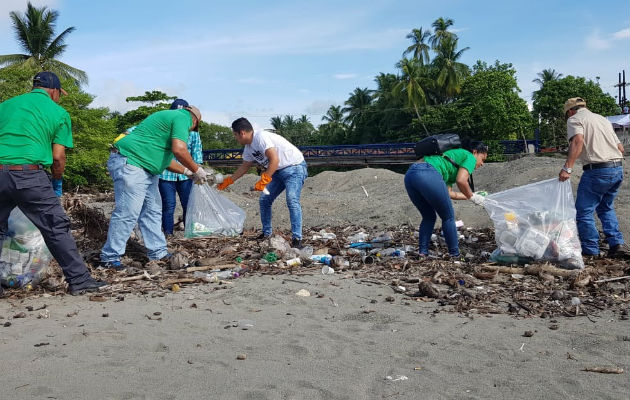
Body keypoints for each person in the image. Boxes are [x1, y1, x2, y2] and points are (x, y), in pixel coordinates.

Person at [0, 71, 106, 295]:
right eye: (60, 94)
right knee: (56, 228)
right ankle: (79, 280)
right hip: (29, 175)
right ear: (54, 91)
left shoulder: (6, 105)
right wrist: (56, 182)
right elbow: (58, 157)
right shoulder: (58, 112)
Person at [99, 105, 207, 269]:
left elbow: (165, 160)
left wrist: (187, 172)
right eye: (193, 128)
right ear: (195, 121)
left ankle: (157, 252)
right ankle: (109, 256)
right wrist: (196, 169)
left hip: (146, 168)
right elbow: (179, 150)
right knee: (128, 212)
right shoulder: (182, 118)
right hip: (132, 163)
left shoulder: (167, 123)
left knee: (153, 211)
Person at [217, 117, 308, 248]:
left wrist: (264, 180)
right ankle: (266, 233)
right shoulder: (248, 148)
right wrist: (228, 181)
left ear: (242, 132)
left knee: (292, 199)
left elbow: (274, 159)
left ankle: (297, 239)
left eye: (235, 135)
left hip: (294, 168)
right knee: (264, 200)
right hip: (277, 172)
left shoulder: (260, 137)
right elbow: (244, 166)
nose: (236, 138)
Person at [559, 97, 628, 258]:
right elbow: (621, 148)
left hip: (597, 171)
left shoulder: (574, 119)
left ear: (570, 111)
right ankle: (616, 244)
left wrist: (567, 168)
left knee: (584, 212)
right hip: (617, 168)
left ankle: (590, 250)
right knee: (605, 207)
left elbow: (578, 141)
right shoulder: (602, 119)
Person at [404, 141, 488, 258]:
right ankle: (455, 254)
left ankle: (423, 252)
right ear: (475, 152)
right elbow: (461, 181)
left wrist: (472, 195)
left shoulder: (449, 159)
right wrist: (472, 197)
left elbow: (449, 193)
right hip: (428, 172)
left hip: (411, 174)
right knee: (448, 216)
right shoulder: (470, 156)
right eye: (482, 159)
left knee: (429, 216)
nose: (482, 164)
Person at [153, 99, 203, 236]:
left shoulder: (193, 133)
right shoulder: (164, 130)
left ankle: (190, 233)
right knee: (168, 205)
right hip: (166, 174)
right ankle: (168, 234)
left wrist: (197, 170)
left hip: (186, 176)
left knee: (189, 204)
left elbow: (197, 153)